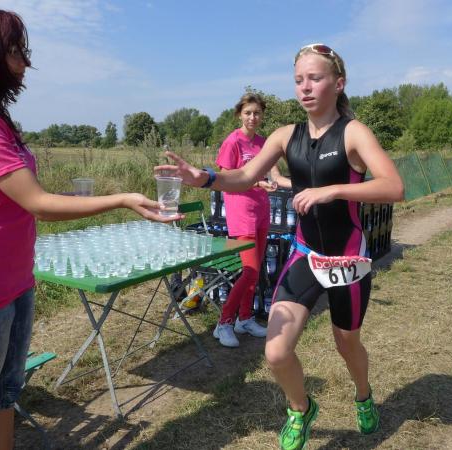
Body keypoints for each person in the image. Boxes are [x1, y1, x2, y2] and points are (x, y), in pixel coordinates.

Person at [0, 3, 174, 449]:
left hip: (14, 281)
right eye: (14, 51)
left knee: (4, 396)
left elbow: (19, 199)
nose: (24, 63)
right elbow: (39, 203)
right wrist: (122, 199)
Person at [156, 43, 404, 450]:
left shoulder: (354, 133)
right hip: (306, 254)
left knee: (346, 344)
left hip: (347, 259)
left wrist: (332, 191)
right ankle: (301, 408)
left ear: (339, 83)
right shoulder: (286, 135)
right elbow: (243, 177)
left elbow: (394, 186)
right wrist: (203, 177)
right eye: (298, 80)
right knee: (275, 352)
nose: (305, 87)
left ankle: (363, 395)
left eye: (315, 78)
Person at [211, 93, 277, 347]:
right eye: (248, 112)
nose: (252, 117)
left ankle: (245, 319)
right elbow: (226, 179)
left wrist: (272, 182)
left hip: (262, 211)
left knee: (256, 271)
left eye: (257, 113)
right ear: (239, 114)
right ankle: (224, 322)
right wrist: (257, 183)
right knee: (249, 272)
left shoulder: (263, 143)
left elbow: (272, 173)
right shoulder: (232, 142)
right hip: (241, 213)